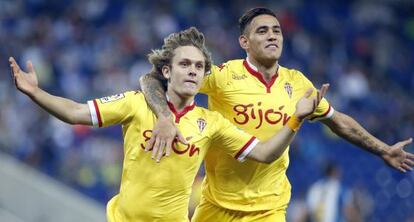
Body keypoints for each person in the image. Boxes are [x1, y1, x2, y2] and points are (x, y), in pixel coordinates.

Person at [10, 27, 328, 222]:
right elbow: (76, 112)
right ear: (166, 72)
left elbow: (266, 153)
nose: (192, 71)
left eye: (199, 67)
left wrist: (295, 119)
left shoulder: (211, 123)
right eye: (184, 64)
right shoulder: (136, 102)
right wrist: (36, 93)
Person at [139, 8, 414, 222]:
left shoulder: (297, 84)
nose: (272, 35)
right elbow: (151, 79)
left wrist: (383, 150)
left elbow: (338, 121)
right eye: (262, 31)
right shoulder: (223, 77)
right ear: (244, 42)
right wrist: (165, 117)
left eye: (276, 30)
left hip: (268, 209)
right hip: (217, 205)